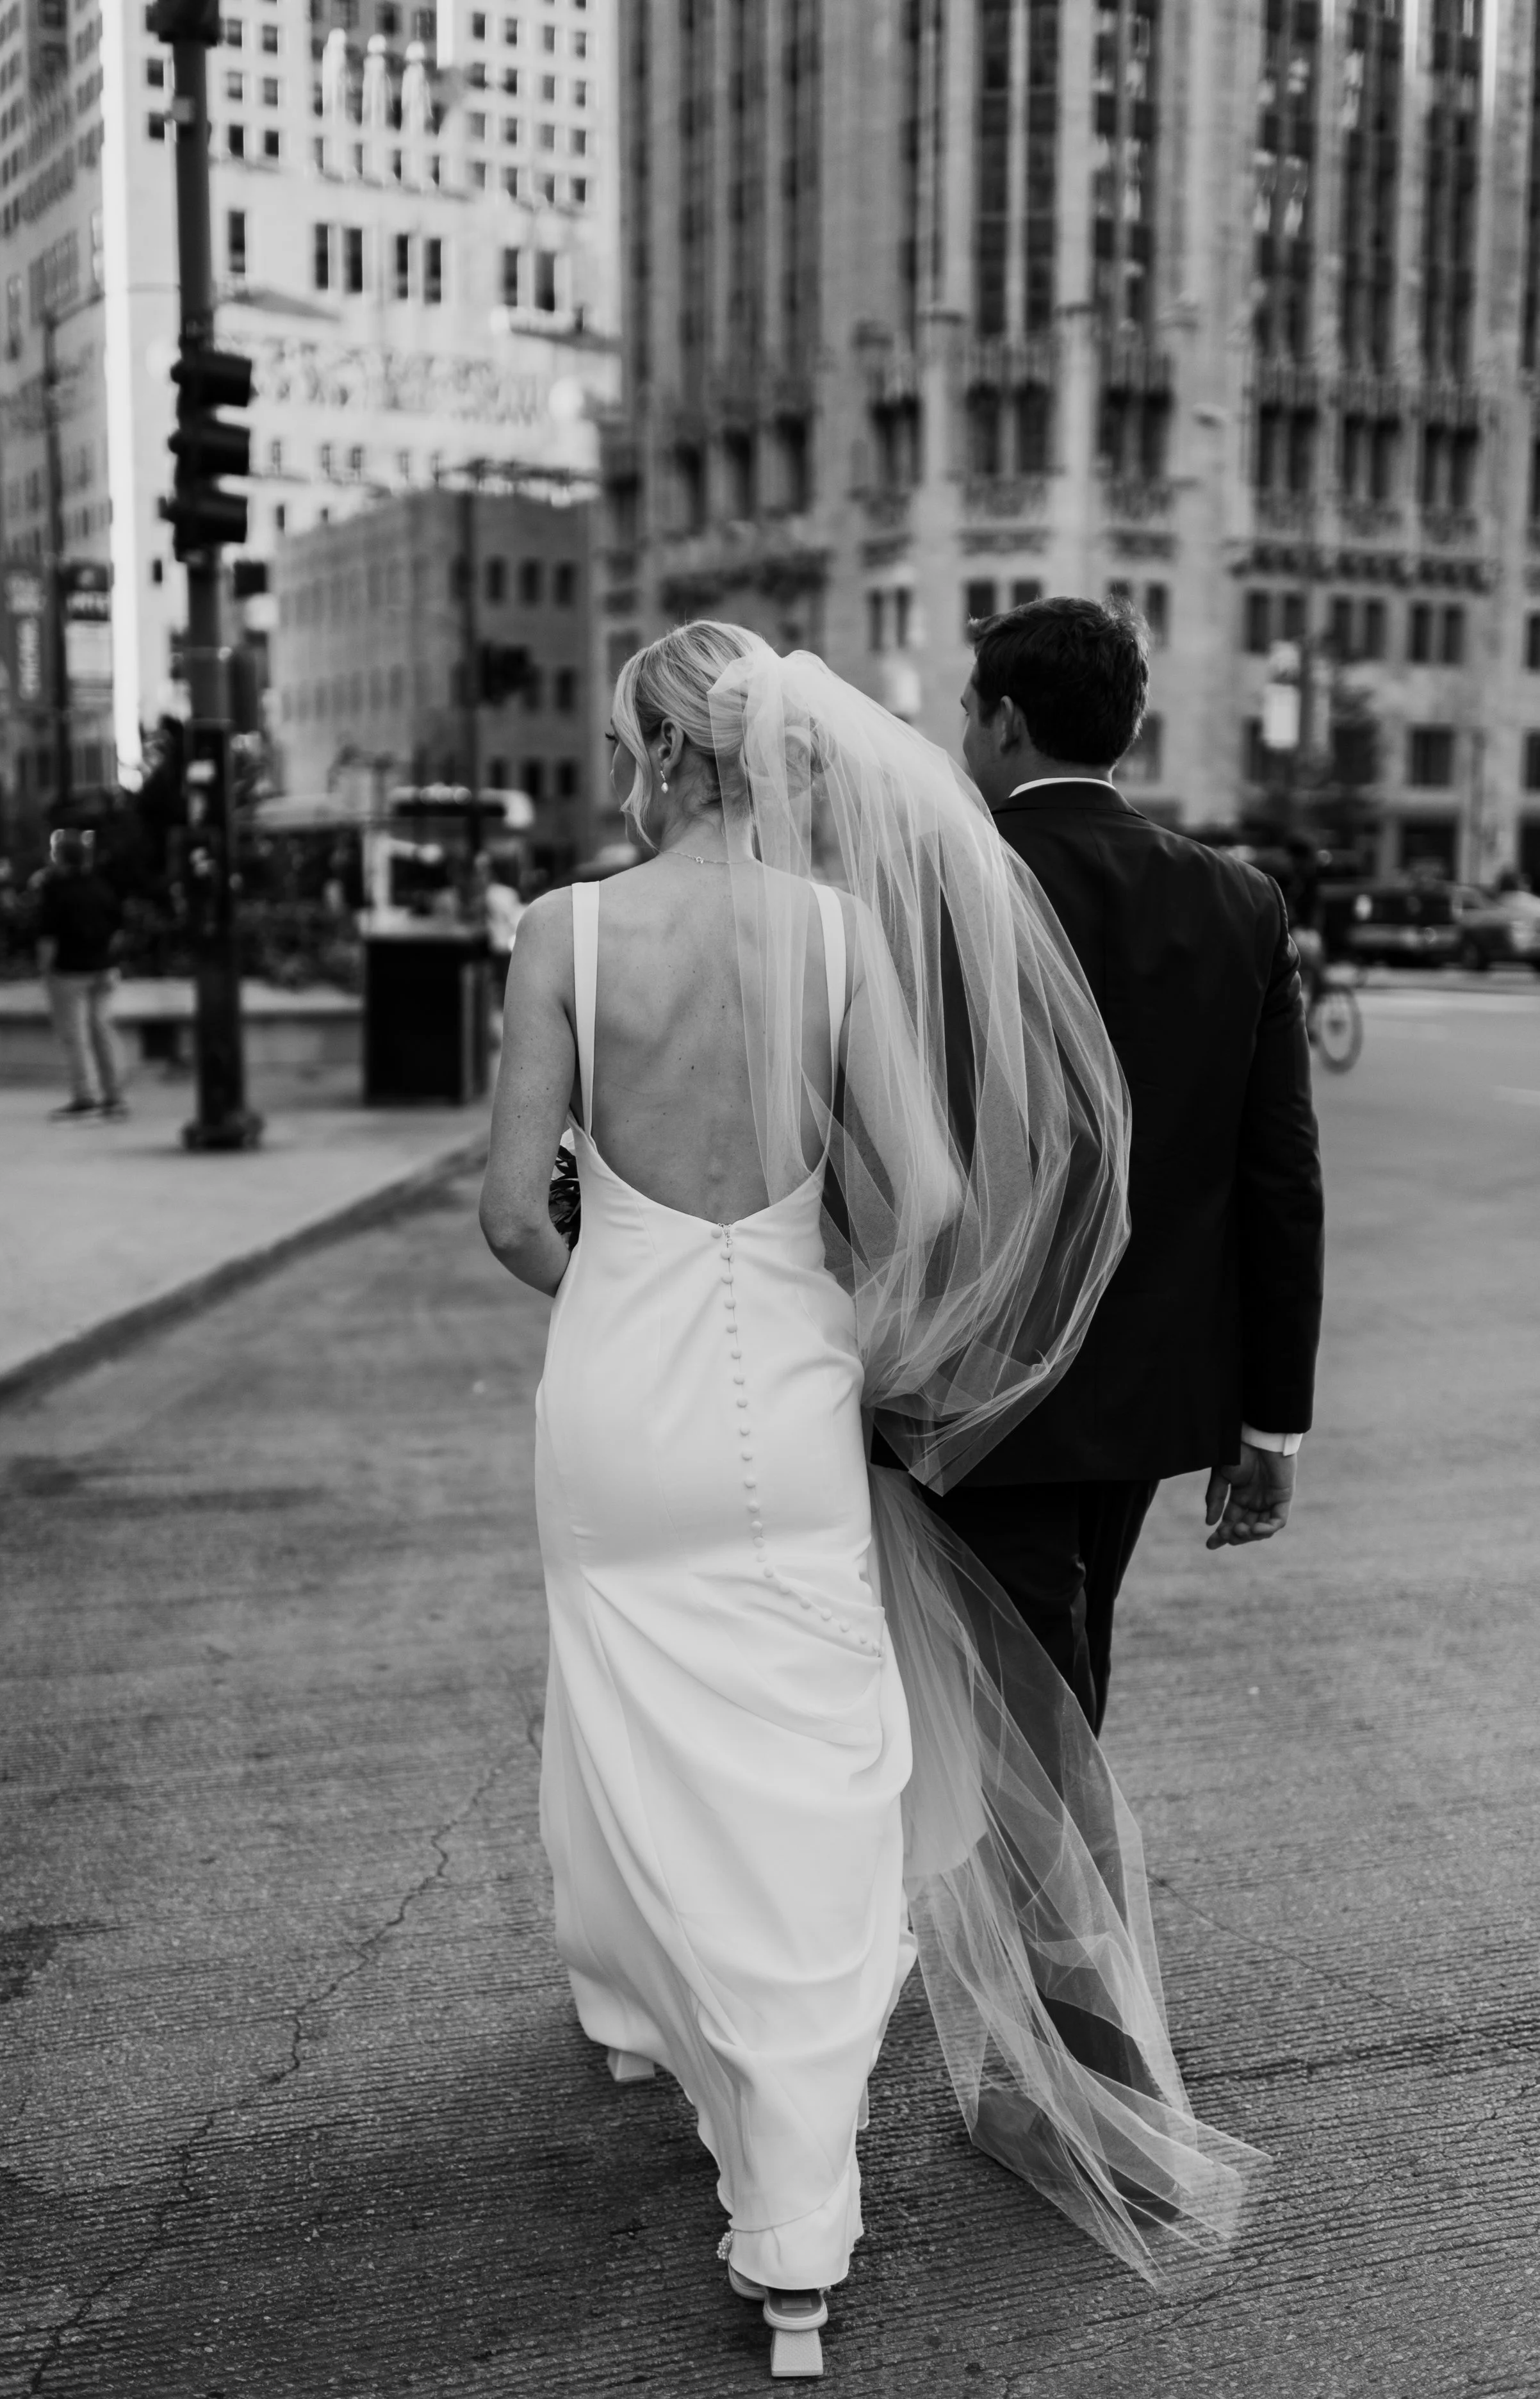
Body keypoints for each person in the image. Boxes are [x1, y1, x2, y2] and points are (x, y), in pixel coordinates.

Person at [481, 623, 1265, 2381]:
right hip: (788, 1385)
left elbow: (511, 1213)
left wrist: (625, 1294)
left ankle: (634, 2014)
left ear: (650, 751)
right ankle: (794, 2225)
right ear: (760, 754)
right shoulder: (835, 940)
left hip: (621, 1402)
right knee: (809, 1752)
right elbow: (915, 1195)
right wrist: (808, 1297)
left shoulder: (561, 933)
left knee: (623, 1702)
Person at [940, 596, 1324, 1733]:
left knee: (1021, 1692)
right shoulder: (1239, 902)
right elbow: (1281, 1178)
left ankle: (1058, 1907)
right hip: (1147, 1381)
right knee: (1063, 1650)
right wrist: (1271, 1423)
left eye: (967, 715)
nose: (963, 742)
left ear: (1007, 723)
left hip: (969, 1370)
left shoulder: (939, 883)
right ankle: (1050, 1901)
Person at [36, 827, 127, 1122]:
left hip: (70, 971)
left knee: (74, 1036)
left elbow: (48, 937)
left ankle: (84, 1096)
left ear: (60, 857)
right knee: (103, 1031)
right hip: (104, 969)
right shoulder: (102, 887)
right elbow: (118, 930)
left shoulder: (55, 890)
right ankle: (114, 1095)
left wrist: (45, 971)